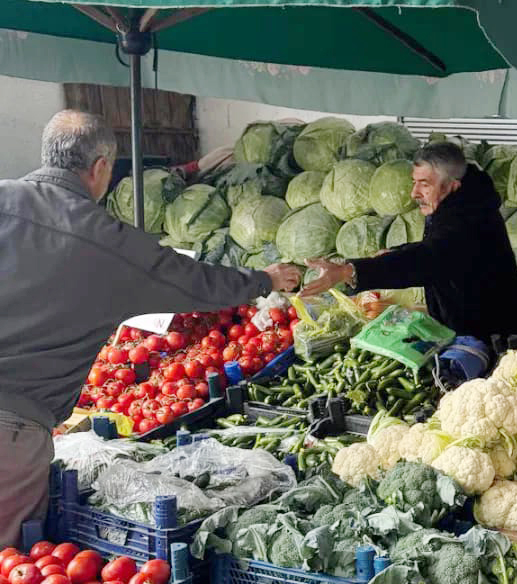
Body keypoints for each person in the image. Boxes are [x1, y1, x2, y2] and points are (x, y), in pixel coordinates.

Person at [0, 110, 300, 548]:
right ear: (101, 167)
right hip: (12, 430)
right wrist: (264, 280)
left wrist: (191, 171)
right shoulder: (103, 239)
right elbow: (193, 281)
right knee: (10, 570)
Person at [301, 142, 517, 346]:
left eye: (424, 184)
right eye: (414, 182)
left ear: (452, 185)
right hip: (471, 328)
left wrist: (349, 271)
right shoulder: (460, 202)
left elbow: (430, 259)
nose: (414, 192)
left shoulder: (470, 219)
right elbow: (439, 248)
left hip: (498, 337)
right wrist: (395, 252)